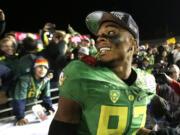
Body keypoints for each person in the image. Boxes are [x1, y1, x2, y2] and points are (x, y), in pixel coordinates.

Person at [48, 11, 178, 135]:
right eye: (99, 35)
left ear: (133, 43)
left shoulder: (146, 81)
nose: (100, 39)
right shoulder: (81, 73)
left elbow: (129, 129)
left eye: (110, 32)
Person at [12, 56, 54, 126]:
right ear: (33, 68)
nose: (43, 69)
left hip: (32, 107)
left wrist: (49, 108)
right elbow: (20, 99)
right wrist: (20, 117)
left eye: (45, 67)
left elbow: (46, 96)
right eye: (40, 66)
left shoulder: (46, 80)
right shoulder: (25, 80)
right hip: (16, 108)